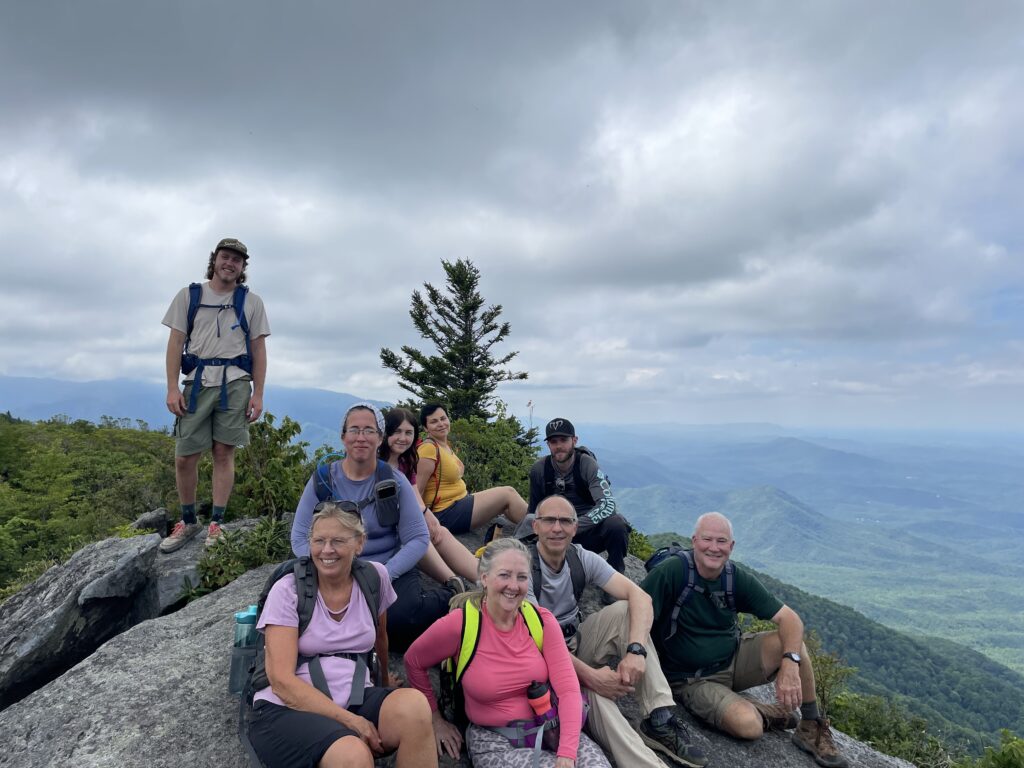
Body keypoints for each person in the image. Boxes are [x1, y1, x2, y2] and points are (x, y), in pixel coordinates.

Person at [641, 512, 849, 768]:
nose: (714, 548)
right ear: (694, 540)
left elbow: (791, 620)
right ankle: (761, 711)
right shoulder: (672, 572)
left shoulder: (733, 577)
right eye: (707, 540)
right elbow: (637, 610)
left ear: (731, 546)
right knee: (749, 726)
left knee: (794, 645)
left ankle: (809, 726)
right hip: (692, 679)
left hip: (734, 658)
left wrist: (790, 663)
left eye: (721, 541)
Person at [248, 504, 437, 768]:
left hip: (354, 696)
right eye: (319, 541)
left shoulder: (374, 578)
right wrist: (350, 721)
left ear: (359, 543)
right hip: (288, 708)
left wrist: (383, 683)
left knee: (415, 708)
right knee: (354, 754)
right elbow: (281, 682)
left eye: (337, 541)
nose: (326, 550)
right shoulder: (288, 590)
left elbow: (380, 637)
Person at [526, 496, 708, 768]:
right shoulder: (524, 567)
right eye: (549, 520)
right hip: (543, 660)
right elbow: (534, 639)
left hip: (576, 641)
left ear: (576, 528)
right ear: (536, 526)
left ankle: (659, 719)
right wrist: (591, 677)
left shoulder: (580, 558)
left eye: (565, 521)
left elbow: (640, 598)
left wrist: (636, 651)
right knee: (597, 699)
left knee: (626, 609)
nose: (557, 528)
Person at [404, 537, 611, 768]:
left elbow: (569, 689)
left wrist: (567, 753)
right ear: (484, 578)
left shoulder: (540, 621)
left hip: (551, 728)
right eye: (504, 575)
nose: (513, 586)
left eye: (521, 577)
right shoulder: (460, 625)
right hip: (496, 740)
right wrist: (434, 719)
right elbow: (413, 660)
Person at [291, 403, 455, 652]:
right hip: (332, 569)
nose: (361, 437)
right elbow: (300, 536)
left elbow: (418, 538)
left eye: (369, 430)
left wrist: (383, 575)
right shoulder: (323, 480)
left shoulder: (394, 480)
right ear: (343, 436)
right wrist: (326, 570)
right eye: (354, 430)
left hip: (385, 567)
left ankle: (449, 598)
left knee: (401, 620)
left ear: (380, 439)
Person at [160, 237, 270, 553]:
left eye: (237, 260)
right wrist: (171, 387)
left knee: (224, 452)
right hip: (196, 383)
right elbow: (175, 342)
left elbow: (259, 349)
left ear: (242, 267)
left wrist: (258, 393)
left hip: (235, 382)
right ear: (215, 260)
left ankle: (216, 524)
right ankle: (188, 520)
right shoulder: (189, 296)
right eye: (225, 257)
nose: (230, 263)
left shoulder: (252, 302)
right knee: (185, 455)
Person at [378, 407, 478, 586]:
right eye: (397, 432)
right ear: (385, 434)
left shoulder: (405, 461)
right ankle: (454, 584)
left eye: (408, 433)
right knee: (420, 535)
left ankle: (482, 578)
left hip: (405, 522)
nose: (403, 438)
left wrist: (428, 516)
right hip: (385, 529)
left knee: (438, 532)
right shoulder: (376, 464)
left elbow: (414, 491)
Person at [525, 418, 630, 575]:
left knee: (617, 524)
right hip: (556, 534)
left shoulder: (587, 464)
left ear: (574, 440)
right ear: (548, 445)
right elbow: (533, 511)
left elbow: (607, 505)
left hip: (587, 532)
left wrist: (574, 526)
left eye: (564, 440)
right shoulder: (539, 470)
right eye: (554, 441)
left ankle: (615, 572)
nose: (559, 446)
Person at [416, 403, 527, 535]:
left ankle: (533, 532)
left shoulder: (444, 446)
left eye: (443, 418)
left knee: (507, 504)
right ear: (426, 427)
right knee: (508, 493)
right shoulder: (428, 449)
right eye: (434, 421)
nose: (441, 424)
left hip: (459, 503)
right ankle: (542, 528)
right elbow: (417, 490)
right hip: (445, 513)